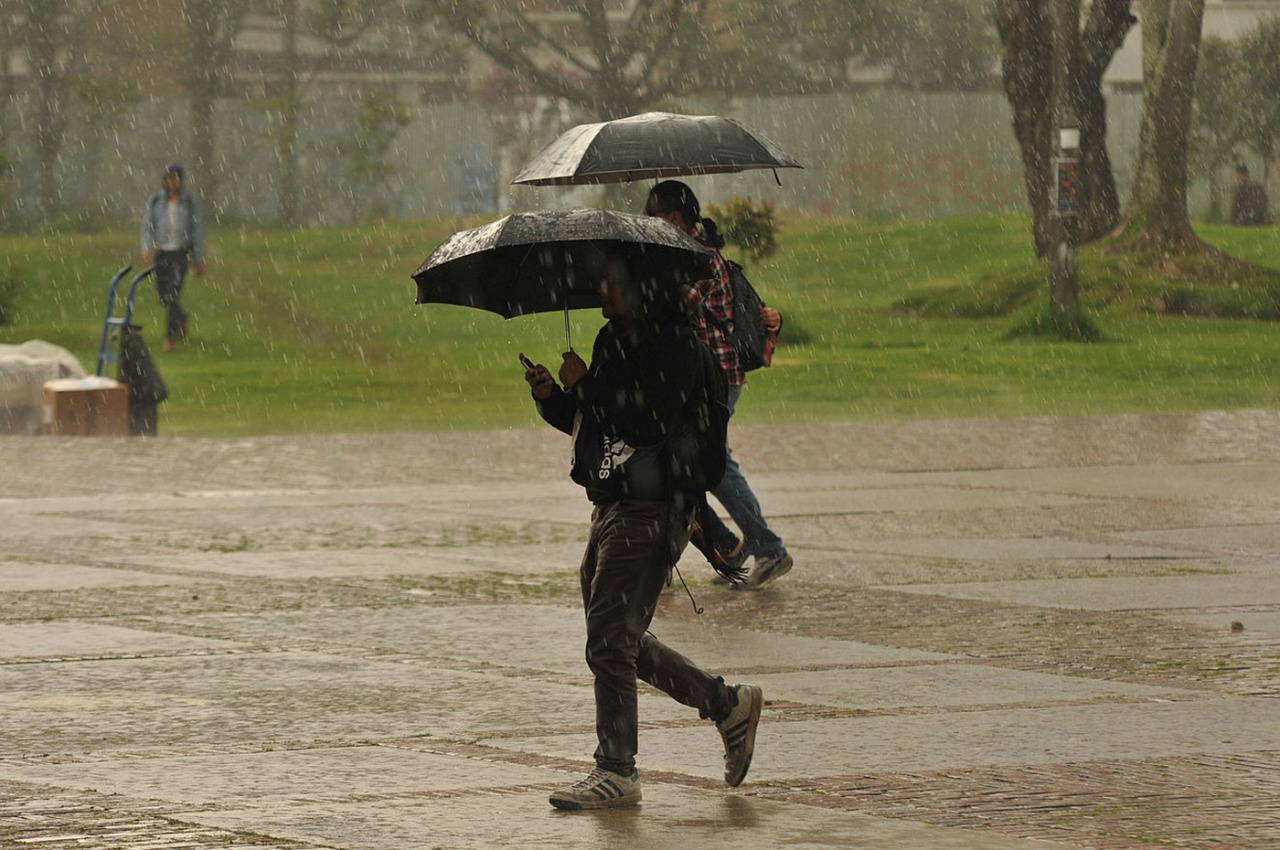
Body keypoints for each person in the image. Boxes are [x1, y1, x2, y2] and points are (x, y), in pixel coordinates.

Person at [523, 248, 763, 811]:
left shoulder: (678, 347)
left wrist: (585, 386)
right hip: (612, 502)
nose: (599, 290)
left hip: (653, 509)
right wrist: (553, 397)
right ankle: (725, 704)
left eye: (610, 282)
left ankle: (617, 770)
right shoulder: (614, 342)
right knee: (617, 639)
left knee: (610, 640)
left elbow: (646, 421)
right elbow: (599, 424)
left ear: (642, 287)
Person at [644, 180, 792, 588]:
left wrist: (646, 278)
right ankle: (729, 545)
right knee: (682, 465)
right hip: (697, 379)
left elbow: (670, 308)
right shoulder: (685, 255)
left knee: (717, 467)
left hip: (715, 378)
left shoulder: (699, 258)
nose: (650, 225)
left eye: (653, 218)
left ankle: (769, 549)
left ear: (674, 218)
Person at [140, 162, 205, 353]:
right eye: (168, 179)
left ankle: (169, 339)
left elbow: (197, 230)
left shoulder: (190, 202)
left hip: (180, 253)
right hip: (162, 253)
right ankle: (180, 317)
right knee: (163, 296)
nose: (172, 182)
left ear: (180, 180)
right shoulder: (156, 201)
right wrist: (146, 247)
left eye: (175, 178)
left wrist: (198, 259)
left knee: (173, 293)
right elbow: (147, 225)